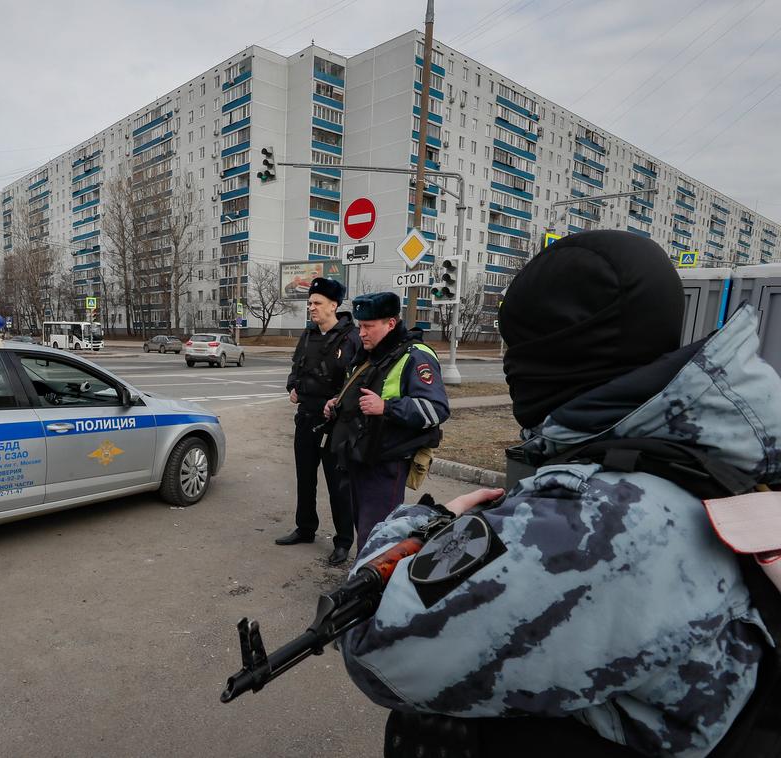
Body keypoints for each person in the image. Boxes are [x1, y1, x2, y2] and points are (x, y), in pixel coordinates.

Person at [340, 231, 781, 757]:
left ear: (558, 351)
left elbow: (377, 650)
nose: (510, 366)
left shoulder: (596, 519)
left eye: (518, 346)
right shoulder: (706, 454)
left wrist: (424, 522)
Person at [324, 291, 448, 555]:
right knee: (365, 532)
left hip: (385, 464)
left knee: (378, 538)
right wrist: (337, 403)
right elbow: (359, 391)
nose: (361, 333)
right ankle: (363, 573)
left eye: (368, 326)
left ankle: (371, 579)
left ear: (391, 323)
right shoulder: (371, 353)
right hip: (358, 457)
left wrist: (387, 407)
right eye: (360, 326)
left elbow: (437, 409)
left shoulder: (415, 355)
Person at [276, 277, 361, 565]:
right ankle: (305, 528)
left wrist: (338, 400)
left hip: (335, 424)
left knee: (338, 485)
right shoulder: (308, 334)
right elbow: (296, 366)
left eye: (317, 303)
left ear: (333, 305)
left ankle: (343, 541)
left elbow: (358, 379)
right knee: (305, 478)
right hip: (306, 418)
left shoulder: (351, 338)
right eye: (310, 302)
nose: (311, 307)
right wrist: (292, 387)